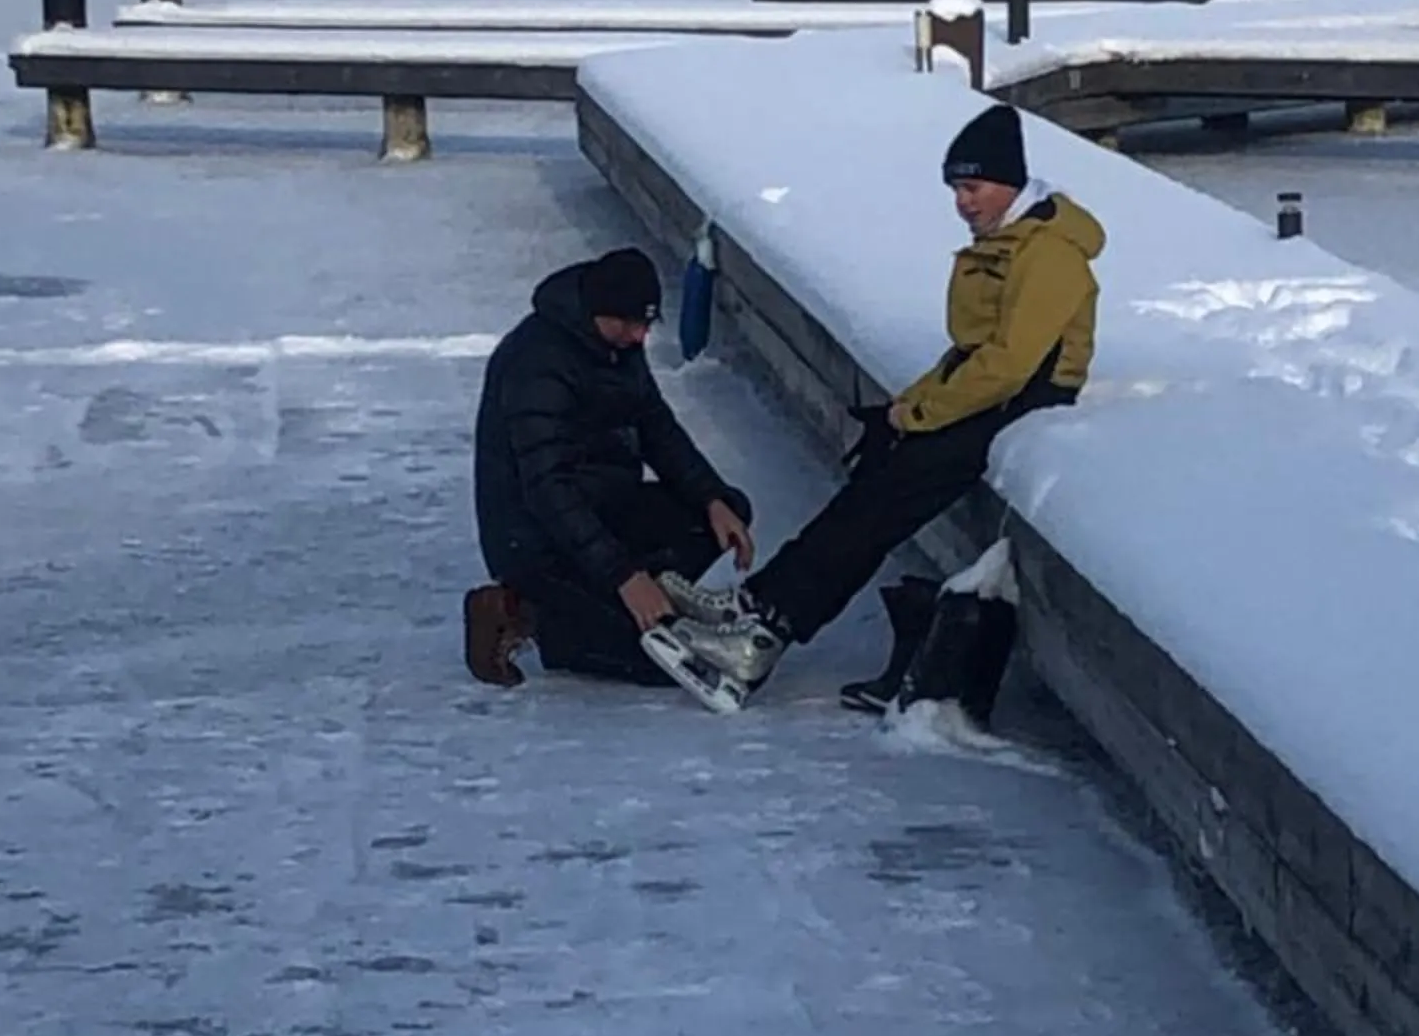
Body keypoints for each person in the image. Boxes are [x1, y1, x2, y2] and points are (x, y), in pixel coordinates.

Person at [644, 103, 1101, 711]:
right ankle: (758, 605)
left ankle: (762, 634)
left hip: (1022, 404)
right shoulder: (1008, 239)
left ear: (1011, 183)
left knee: (881, 505)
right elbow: (970, 353)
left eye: (974, 187)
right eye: (956, 189)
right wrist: (905, 408)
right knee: (871, 482)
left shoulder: (1048, 254)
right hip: (987, 394)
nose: (963, 202)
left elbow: (1010, 365)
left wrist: (917, 416)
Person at [465, 247, 754, 689]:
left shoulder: (616, 344)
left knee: (724, 513)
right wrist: (623, 576)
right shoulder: (537, 365)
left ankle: (631, 600)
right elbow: (547, 489)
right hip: (535, 538)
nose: (639, 337)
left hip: (605, 506)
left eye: (646, 324)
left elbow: (656, 426)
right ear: (598, 312)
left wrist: (711, 497)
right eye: (629, 323)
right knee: (655, 663)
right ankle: (524, 608)